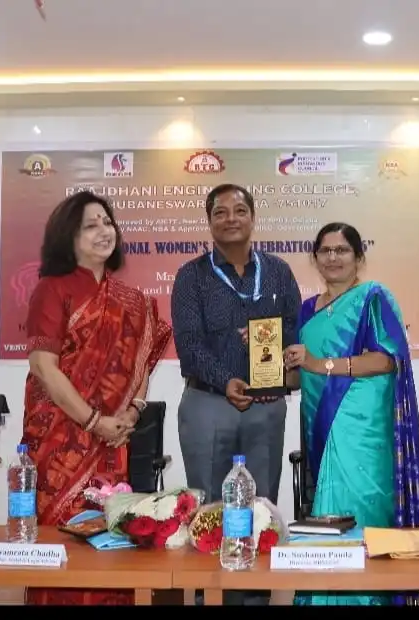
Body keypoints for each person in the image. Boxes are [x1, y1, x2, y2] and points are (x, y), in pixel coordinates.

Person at [21, 191, 173, 606]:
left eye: (107, 222)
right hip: (60, 439)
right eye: (91, 225)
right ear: (67, 237)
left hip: (112, 441)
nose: (104, 231)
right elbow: (43, 367)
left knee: (107, 532)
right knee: (60, 539)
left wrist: (132, 412)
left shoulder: (133, 301)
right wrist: (93, 421)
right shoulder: (52, 289)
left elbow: (140, 364)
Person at [284, 223, 419, 607]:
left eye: (342, 250)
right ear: (315, 258)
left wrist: (321, 364)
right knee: (326, 519)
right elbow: (301, 375)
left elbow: (386, 360)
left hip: (361, 427)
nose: (333, 257)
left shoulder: (373, 298)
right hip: (319, 425)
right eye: (325, 250)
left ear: (359, 257)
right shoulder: (307, 310)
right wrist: (265, 361)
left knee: (362, 508)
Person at [171, 183, 301, 606]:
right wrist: (226, 379)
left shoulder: (279, 271)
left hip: (266, 409)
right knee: (211, 508)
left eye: (240, 210)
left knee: (260, 509)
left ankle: (254, 600)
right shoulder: (191, 276)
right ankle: (208, 598)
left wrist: (282, 357)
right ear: (209, 221)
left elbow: (294, 330)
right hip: (209, 405)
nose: (231, 219)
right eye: (221, 212)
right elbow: (189, 344)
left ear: (253, 217)